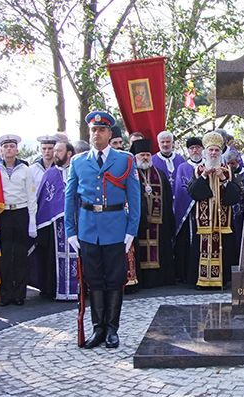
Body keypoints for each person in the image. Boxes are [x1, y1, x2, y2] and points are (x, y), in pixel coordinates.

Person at [64, 111, 141, 349]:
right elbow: (70, 199)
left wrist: (131, 230)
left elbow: (134, 197)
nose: (96, 134)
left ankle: (112, 329)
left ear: (109, 133)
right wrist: (70, 231)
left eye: (101, 130)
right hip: (88, 229)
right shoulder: (78, 161)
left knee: (115, 279)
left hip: (116, 227)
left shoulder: (125, 160)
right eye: (93, 130)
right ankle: (97, 329)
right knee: (94, 280)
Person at [187, 131, 241, 288]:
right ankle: (202, 281)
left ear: (221, 151)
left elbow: (234, 197)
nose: (213, 153)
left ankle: (221, 280)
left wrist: (223, 179)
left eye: (216, 150)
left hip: (222, 223)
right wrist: (204, 175)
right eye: (210, 150)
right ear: (205, 152)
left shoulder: (228, 171)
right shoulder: (198, 171)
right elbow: (193, 193)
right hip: (204, 223)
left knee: (224, 251)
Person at [32, 141, 78, 300]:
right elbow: (44, 201)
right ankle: (55, 289)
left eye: (58, 151)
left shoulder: (79, 171)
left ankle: (79, 289)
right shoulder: (49, 174)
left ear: (69, 153)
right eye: (54, 150)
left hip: (78, 222)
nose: (54, 154)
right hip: (55, 225)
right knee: (54, 256)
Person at [0, 134, 37, 306]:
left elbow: (31, 197)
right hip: (3, 213)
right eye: (5, 146)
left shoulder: (25, 169)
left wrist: (32, 222)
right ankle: (5, 294)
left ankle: (20, 294)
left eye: (12, 146)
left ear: (17, 149)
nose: (8, 149)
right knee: (4, 255)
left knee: (20, 255)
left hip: (20, 212)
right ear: (0, 150)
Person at [130, 139, 176, 289]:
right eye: (142, 155)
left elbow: (168, 199)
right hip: (138, 222)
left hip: (159, 222)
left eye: (148, 155)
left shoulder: (159, 174)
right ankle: (142, 280)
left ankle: (160, 279)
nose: (145, 158)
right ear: (136, 156)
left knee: (160, 247)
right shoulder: (132, 174)